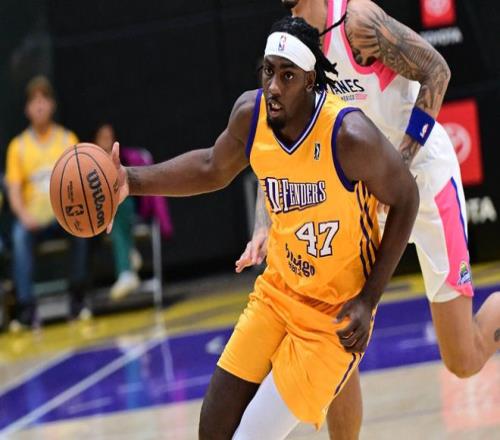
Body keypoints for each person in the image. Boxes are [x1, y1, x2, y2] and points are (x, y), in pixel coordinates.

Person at [108, 16, 419, 438]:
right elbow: (211, 167)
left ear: (310, 81)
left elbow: (406, 198)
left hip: (333, 317)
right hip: (278, 292)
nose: (273, 86)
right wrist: (130, 180)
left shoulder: (349, 136)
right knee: (212, 430)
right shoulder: (250, 116)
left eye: (287, 75)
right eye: (268, 71)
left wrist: (369, 299)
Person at [235, 1, 500, 438]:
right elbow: (279, 142)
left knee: (463, 359)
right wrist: (263, 221)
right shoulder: (291, 45)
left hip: (424, 181)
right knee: (338, 331)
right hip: (363, 198)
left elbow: (437, 70)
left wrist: (400, 166)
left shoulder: (357, 22)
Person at [5, 76, 90, 330]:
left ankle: (77, 298)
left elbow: (81, 180)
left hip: (63, 214)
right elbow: (13, 191)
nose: (39, 105)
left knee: (82, 228)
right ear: (27, 109)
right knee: (18, 235)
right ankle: (26, 308)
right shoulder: (18, 146)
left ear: (52, 105)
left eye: (44, 99)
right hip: (33, 217)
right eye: (34, 100)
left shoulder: (67, 139)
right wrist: (23, 215)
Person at [94, 123, 141, 300]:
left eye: (110, 136)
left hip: (118, 212)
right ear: (95, 141)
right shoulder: (86, 161)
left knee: (119, 207)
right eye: (103, 137)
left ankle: (125, 271)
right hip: (93, 215)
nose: (107, 140)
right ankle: (129, 254)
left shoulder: (122, 158)